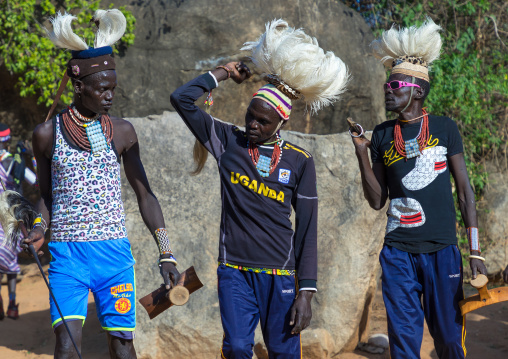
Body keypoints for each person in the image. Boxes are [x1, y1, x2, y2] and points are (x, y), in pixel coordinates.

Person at [170, 19, 349, 358]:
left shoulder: (300, 161)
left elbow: (307, 230)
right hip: (234, 271)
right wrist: (223, 72)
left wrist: (305, 293)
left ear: (282, 122)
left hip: (280, 275)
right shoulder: (227, 143)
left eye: (262, 121)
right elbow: (181, 99)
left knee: (283, 352)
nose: (252, 124)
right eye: (250, 115)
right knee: (237, 348)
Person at [23, 10, 180, 358]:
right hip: (67, 255)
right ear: (79, 87)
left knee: (123, 347)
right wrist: (38, 227)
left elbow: (146, 195)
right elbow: (46, 197)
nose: (109, 96)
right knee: (66, 348)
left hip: (114, 257)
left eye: (113, 89)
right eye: (102, 89)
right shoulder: (47, 135)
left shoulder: (122, 132)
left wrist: (165, 252)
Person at [349, 18, 487, 359]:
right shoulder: (381, 134)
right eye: (387, 84)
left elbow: (466, 193)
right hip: (398, 253)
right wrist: (362, 155)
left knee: (451, 340)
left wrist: (475, 252)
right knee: (404, 344)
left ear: (418, 90)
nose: (388, 88)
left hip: (443, 251)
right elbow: (378, 200)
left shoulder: (444, 128)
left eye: (396, 84)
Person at [0, 123, 37, 320]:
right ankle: (13, 304)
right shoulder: (14, 161)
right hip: (9, 220)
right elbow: (37, 181)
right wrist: (30, 155)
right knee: (10, 261)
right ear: (7, 140)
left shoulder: (12, 160)